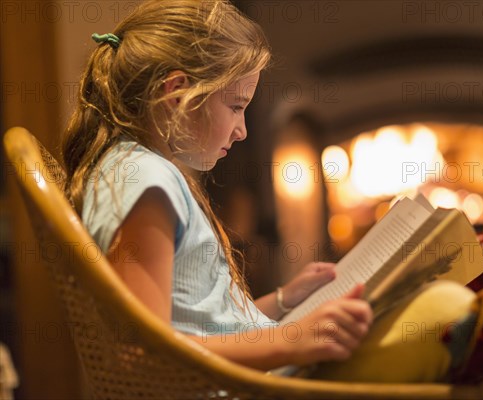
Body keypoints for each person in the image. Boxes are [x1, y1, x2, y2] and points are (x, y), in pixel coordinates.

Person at [61, 0, 372, 371]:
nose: (242, 131)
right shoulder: (145, 183)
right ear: (176, 93)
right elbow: (145, 352)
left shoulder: (137, 171)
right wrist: (292, 341)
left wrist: (284, 301)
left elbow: (203, 327)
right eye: (236, 107)